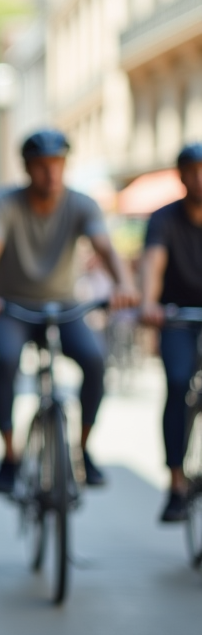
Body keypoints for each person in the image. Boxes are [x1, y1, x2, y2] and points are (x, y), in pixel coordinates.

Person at [0, 129, 138, 494]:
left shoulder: (81, 204)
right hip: (11, 306)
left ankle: (83, 449)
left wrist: (124, 285)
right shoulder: (4, 203)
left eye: (58, 164)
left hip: (65, 306)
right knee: (7, 361)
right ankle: (9, 456)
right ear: (27, 168)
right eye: (42, 165)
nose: (51, 173)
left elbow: (105, 248)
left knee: (94, 361)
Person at [138, 143, 202, 522]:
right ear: (181, 176)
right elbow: (152, 262)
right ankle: (176, 482)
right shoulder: (164, 219)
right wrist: (149, 301)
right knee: (178, 383)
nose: (199, 178)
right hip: (176, 314)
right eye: (192, 170)